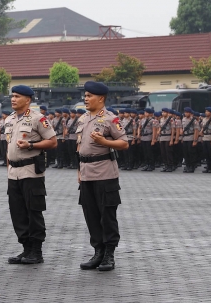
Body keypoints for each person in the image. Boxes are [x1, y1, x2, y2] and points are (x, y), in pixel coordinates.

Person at [77, 81, 128, 272]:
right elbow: (80, 147)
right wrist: (78, 172)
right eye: (85, 95)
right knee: (91, 215)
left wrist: (104, 141)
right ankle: (98, 251)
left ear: (101, 98)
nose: (86, 98)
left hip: (105, 173)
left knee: (107, 215)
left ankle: (109, 254)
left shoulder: (110, 119)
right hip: (86, 174)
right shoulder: (83, 119)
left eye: (89, 96)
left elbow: (124, 143)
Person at [5, 85, 57, 265]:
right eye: (12, 96)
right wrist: (8, 169)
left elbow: (52, 142)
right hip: (14, 173)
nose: (13, 99)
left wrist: (31, 146)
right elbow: (8, 147)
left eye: (17, 96)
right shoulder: (9, 119)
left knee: (33, 212)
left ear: (27, 100)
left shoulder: (38, 119)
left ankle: (36, 251)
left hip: (31, 172)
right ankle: (26, 249)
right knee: (17, 213)